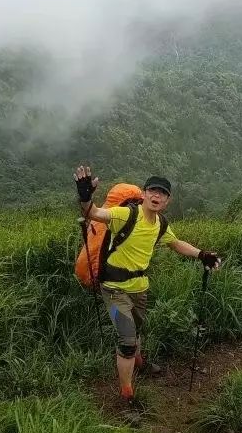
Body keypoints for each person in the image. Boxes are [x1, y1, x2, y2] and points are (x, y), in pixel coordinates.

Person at [74, 165, 220, 415]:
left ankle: (138, 364)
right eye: (153, 190)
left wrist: (202, 254)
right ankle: (127, 396)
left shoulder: (160, 224)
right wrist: (86, 196)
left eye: (162, 193)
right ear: (144, 193)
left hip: (139, 288)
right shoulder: (124, 215)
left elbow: (175, 243)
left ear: (167, 200)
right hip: (114, 289)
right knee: (128, 340)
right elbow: (93, 213)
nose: (157, 195)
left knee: (137, 329)